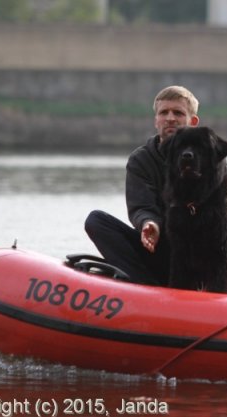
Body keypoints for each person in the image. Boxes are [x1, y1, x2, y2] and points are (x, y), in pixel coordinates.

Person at [84, 85, 201, 285]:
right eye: (164, 112)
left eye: (178, 113)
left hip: (198, 254)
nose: (170, 118)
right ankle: (146, 287)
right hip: (159, 248)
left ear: (193, 122)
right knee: (96, 221)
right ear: (156, 121)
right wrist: (149, 224)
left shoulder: (212, 159)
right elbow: (142, 207)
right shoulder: (141, 160)